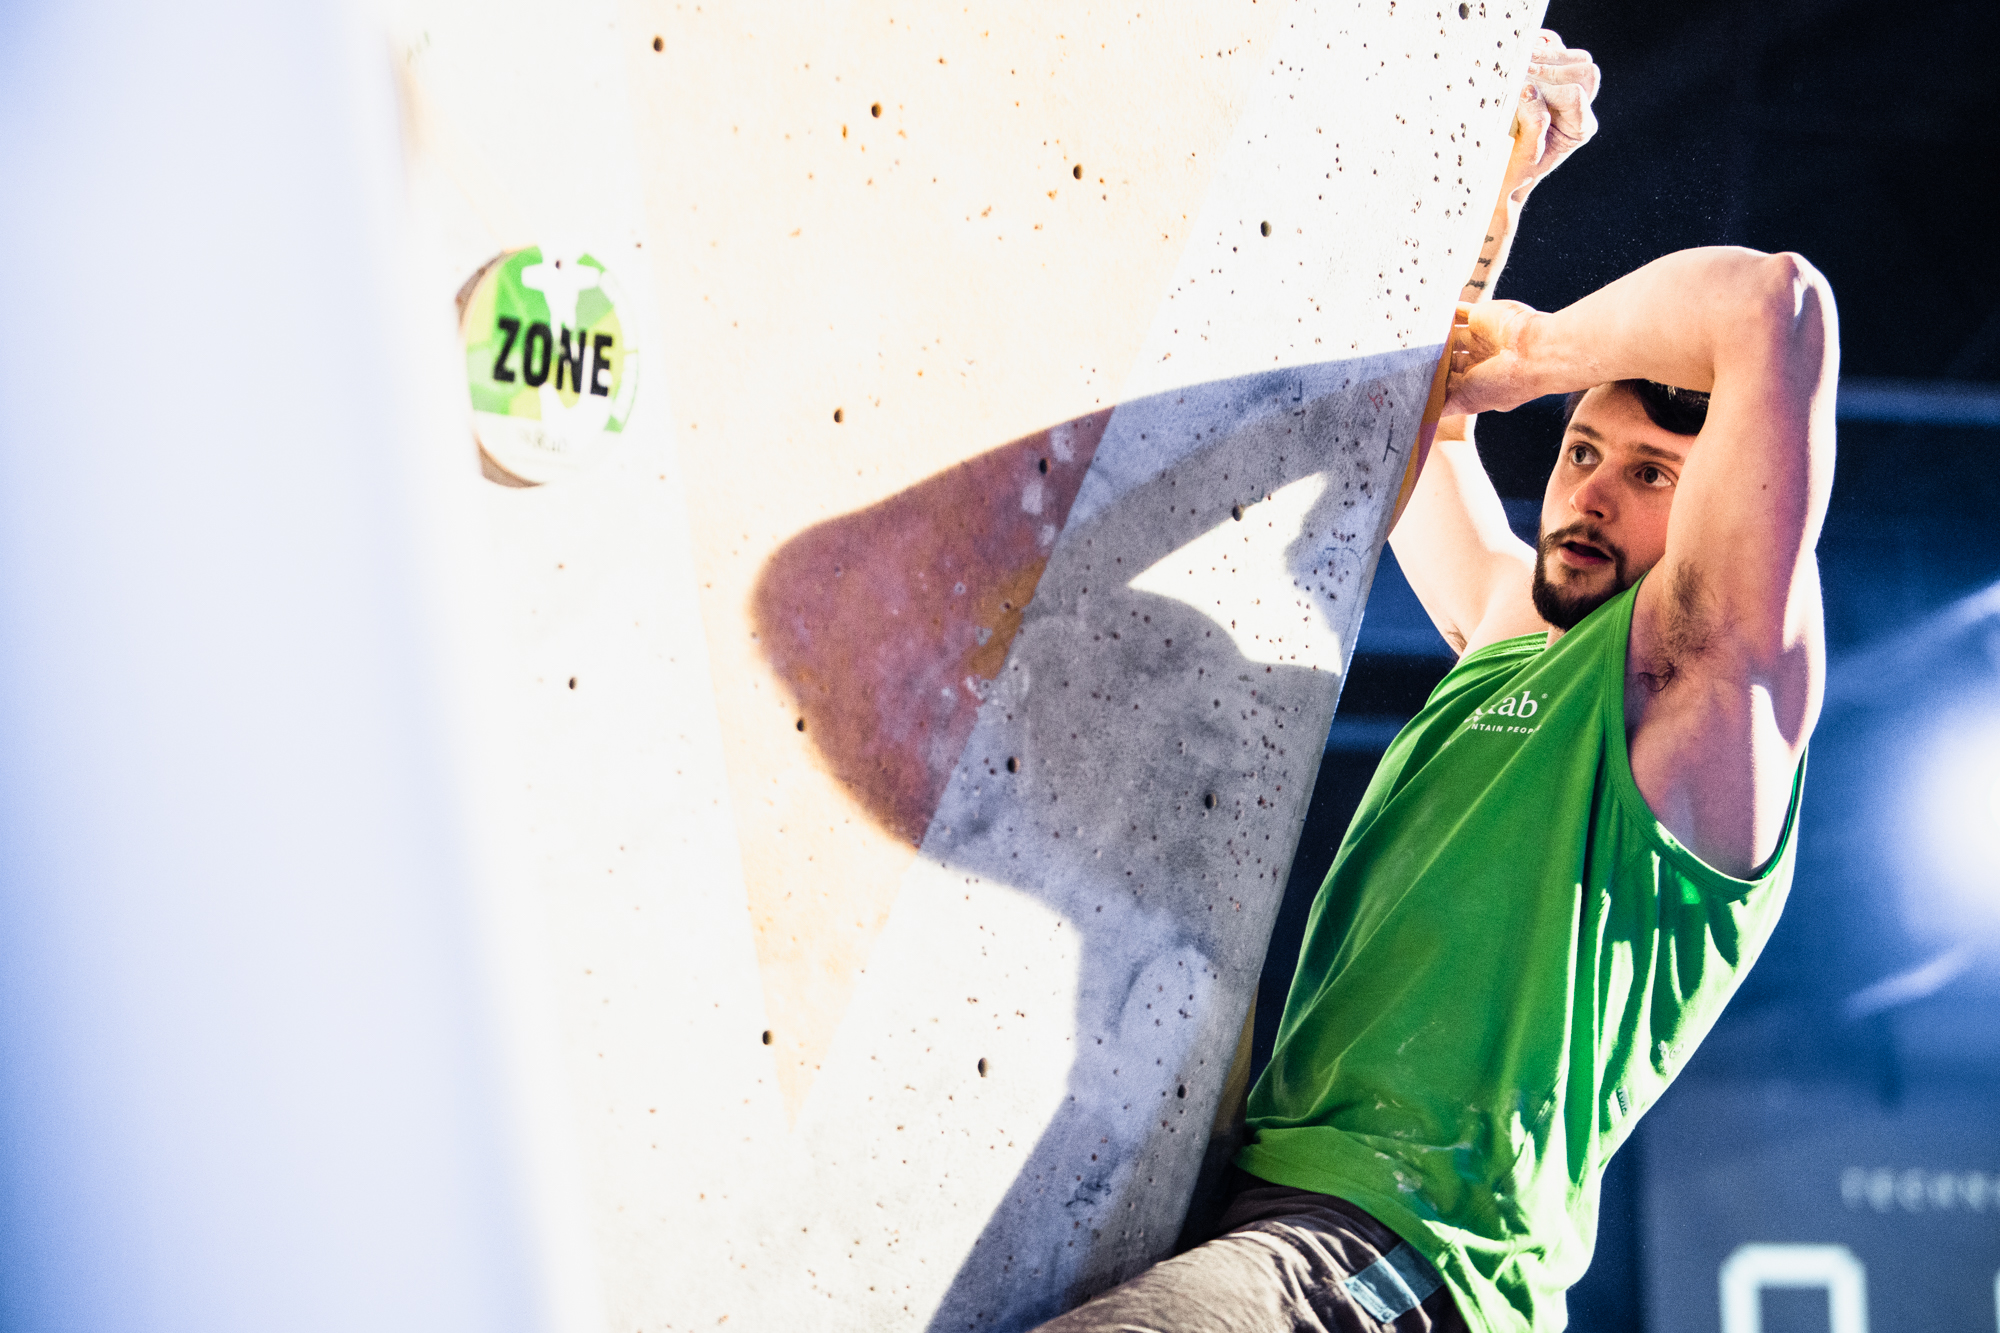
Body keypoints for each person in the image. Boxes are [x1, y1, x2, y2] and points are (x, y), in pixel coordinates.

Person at [1034, 28, 1837, 1333]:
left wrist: (1543, 349)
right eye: (1583, 452)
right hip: (1276, 1222)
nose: (1591, 493)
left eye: (1651, 475)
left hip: (1395, 1260)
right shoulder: (1516, 629)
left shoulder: (1704, 698)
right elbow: (1416, 419)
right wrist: (1496, 182)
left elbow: (1775, 309)